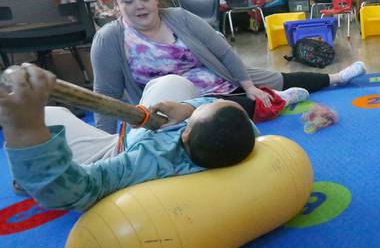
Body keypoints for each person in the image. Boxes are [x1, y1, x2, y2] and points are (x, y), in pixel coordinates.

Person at [90, 0, 366, 133]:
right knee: (216, 114)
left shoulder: (180, 19)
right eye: (128, 1)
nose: (138, 6)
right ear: (116, 5)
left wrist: (248, 85)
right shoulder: (110, 39)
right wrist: (107, 140)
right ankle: (281, 99)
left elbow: (223, 52)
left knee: (273, 79)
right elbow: (106, 94)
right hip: (178, 104)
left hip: (221, 76)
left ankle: (335, 78)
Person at [2, 64, 255, 210]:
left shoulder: (144, 163)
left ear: (186, 134)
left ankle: (25, 176)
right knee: (171, 81)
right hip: (142, 133)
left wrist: (27, 131)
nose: (202, 105)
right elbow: (229, 112)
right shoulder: (231, 139)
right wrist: (189, 109)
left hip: (118, 153)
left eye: (197, 113)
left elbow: (74, 190)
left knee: (51, 115)